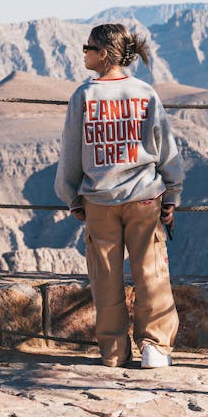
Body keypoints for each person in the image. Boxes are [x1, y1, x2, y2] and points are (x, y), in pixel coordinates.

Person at [54, 23, 184, 368]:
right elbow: (165, 147)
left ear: (104, 55)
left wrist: (71, 197)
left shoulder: (85, 96)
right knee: (151, 271)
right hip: (144, 197)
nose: (84, 53)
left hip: (99, 199)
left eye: (88, 47)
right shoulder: (145, 93)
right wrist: (171, 193)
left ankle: (113, 351)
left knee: (105, 277)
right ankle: (154, 348)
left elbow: (71, 152)